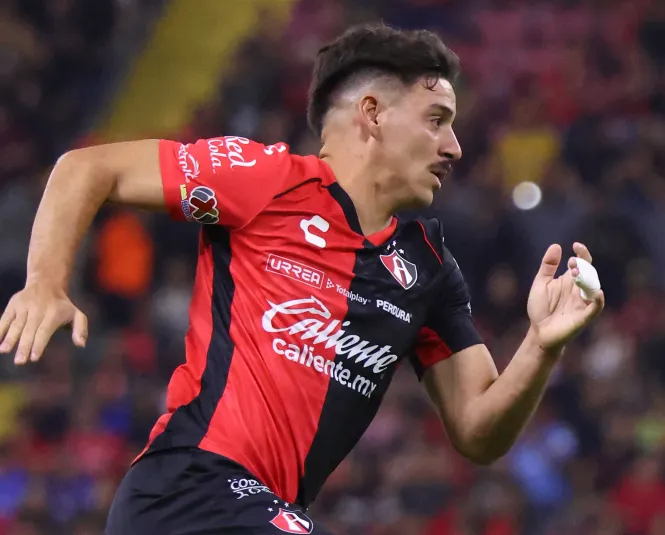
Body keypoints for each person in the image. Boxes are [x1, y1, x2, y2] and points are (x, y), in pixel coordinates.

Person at [0, 23, 604, 535]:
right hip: (186, 488)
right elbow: (88, 168)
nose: (455, 147)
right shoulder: (265, 179)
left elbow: (478, 432)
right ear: (372, 114)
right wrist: (45, 282)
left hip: (261, 511)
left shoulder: (428, 268)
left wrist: (540, 346)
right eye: (437, 120)